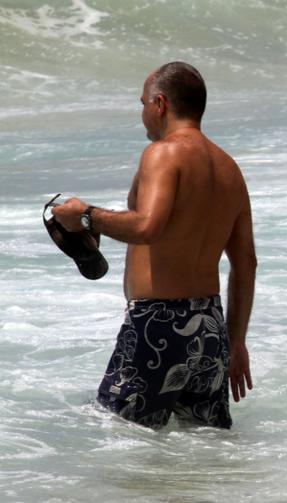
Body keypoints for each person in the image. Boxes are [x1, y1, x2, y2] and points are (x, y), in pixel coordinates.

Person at [53, 62, 256, 428]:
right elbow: (246, 264)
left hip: (159, 325)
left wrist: (85, 215)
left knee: (117, 437)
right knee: (204, 448)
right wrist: (235, 342)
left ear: (160, 104)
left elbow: (148, 227)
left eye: (142, 103)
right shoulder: (230, 169)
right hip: (210, 328)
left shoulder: (163, 154)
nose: (142, 113)